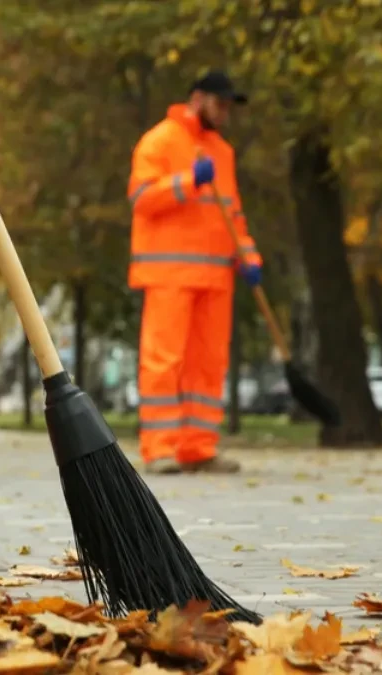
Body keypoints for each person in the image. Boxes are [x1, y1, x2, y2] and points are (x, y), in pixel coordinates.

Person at [125, 71, 262, 475]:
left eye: (229, 108)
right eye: (220, 105)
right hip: (168, 272)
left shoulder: (222, 152)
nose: (225, 114)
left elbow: (232, 212)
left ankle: (199, 447)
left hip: (216, 275)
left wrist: (248, 256)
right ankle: (160, 448)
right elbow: (142, 197)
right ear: (197, 98)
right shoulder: (160, 141)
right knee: (164, 361)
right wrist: (189, 182)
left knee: (209, 363)